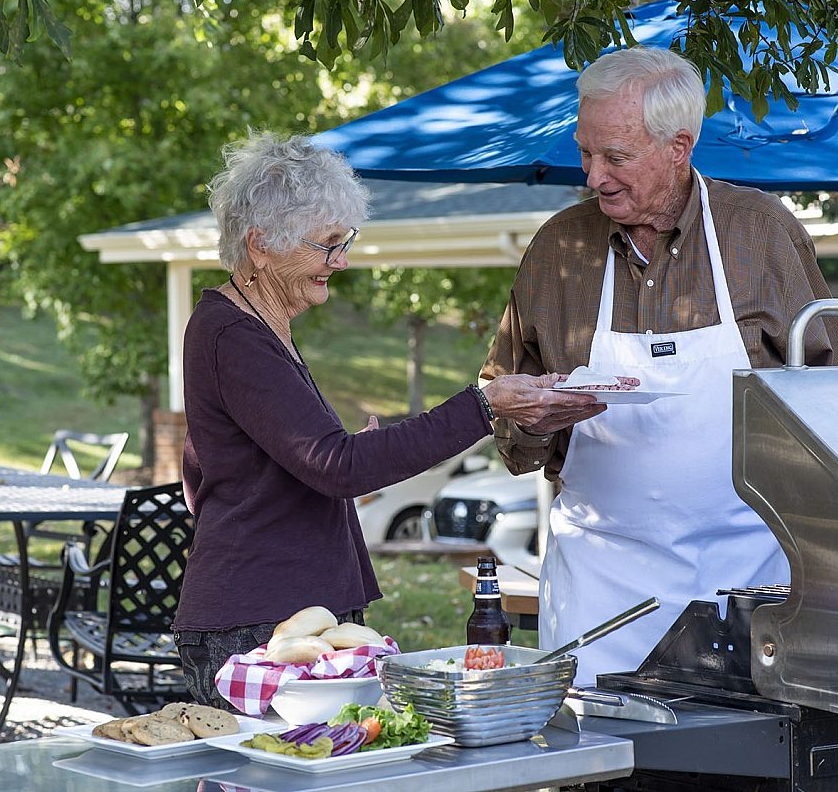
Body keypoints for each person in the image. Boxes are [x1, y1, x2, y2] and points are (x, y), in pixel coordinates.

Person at [480, 47, 838, 682]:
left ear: (679, 147)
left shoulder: (760, 235)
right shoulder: (556, 250)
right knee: (600, 770)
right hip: (601, 589)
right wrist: (534, 419)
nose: (594, 175)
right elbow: (501, 405)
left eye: (616, 157)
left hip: (750, 579)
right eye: (585, 152)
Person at [174, 132, 567, 709]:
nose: (342, 261)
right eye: (326, 245)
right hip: (259, 624)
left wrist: (328, 465)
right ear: (260, 245)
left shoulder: (256, 326)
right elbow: (337, 468)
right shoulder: (234, 333)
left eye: (343, 242)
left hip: (284, 610)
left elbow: (222, 468)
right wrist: (484, 406)